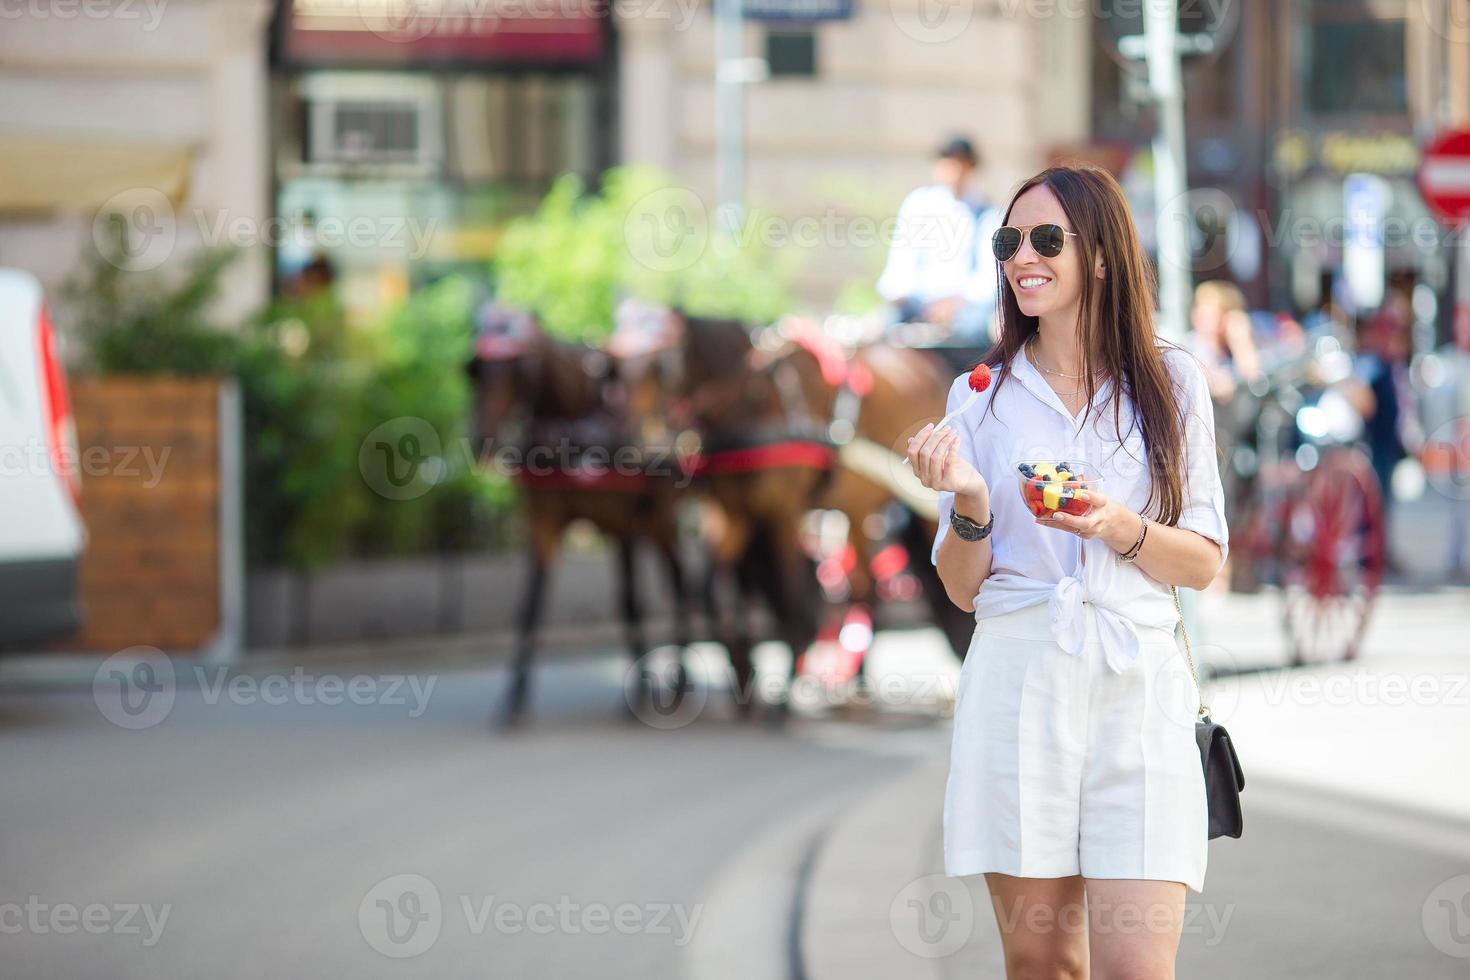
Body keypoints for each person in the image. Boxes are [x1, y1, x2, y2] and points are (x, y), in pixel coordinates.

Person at [905, 165, 1228, 977]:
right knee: (1046, 964)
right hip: (1020, 686)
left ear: (1104, 256)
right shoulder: (977, 398)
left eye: (1047, 239)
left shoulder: (1170, 382)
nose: (1024, 257)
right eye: (1008, 241)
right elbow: (960, 585)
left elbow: (1205, 561)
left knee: (1136, 969)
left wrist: (1117, 526)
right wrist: (971, 498)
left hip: (1137, 689)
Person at [877, 136, 1002, 346]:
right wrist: (902, 295)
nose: (952, 169)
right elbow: (901, 260)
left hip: (964, 310)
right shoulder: (918, 204)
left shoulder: (988, 213)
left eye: (959, 162)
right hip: (918, 303)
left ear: (970, 167)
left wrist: (955, 302)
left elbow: (988, 276)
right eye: (946, 161)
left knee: (976, 333)